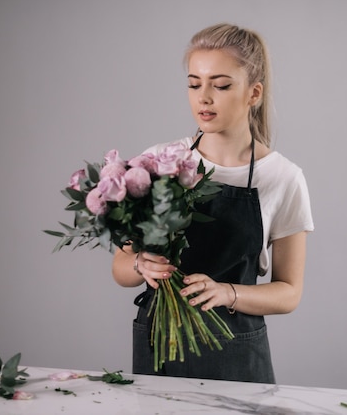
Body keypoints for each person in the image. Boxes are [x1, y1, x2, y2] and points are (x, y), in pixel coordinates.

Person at [112, 23, 314, 384]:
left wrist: (226, 292)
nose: (203, 97)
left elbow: (289, 293)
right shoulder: (157, 162)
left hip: (235, 352)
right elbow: (121, 269)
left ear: (254, 93)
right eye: (194, 84)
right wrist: (141, 264)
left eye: (220, 85)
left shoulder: (282, 178)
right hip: (159, 347)